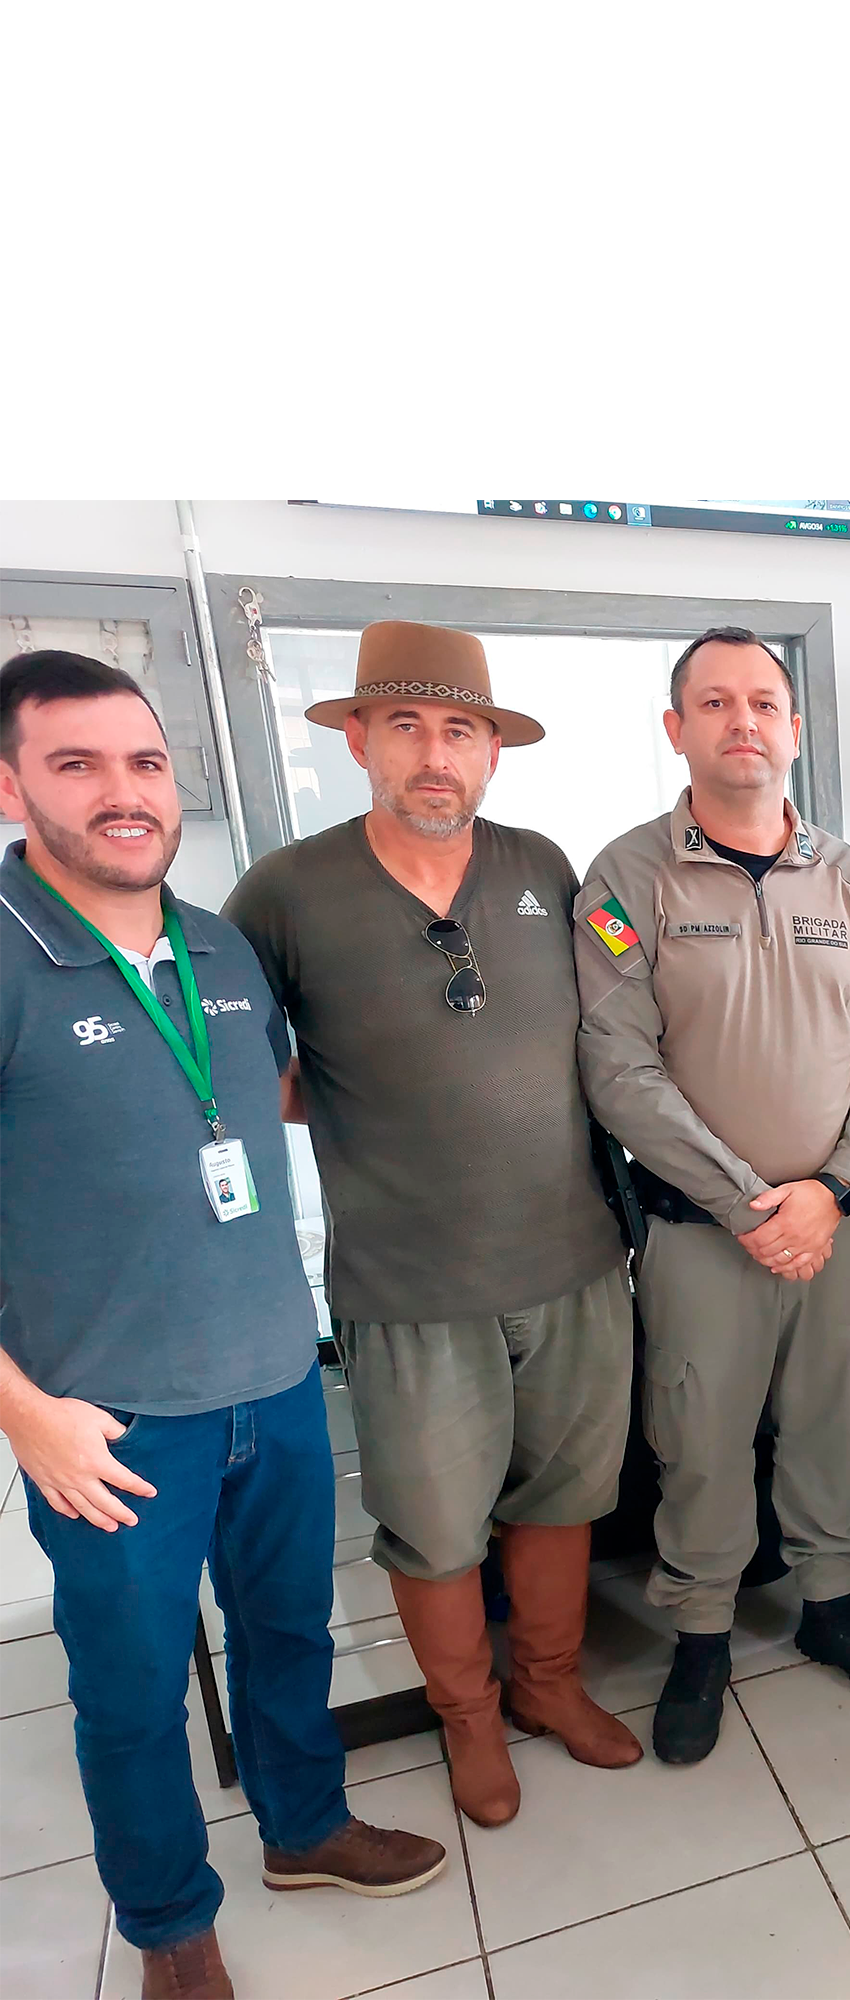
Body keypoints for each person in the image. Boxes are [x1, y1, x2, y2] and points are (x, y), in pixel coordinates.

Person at [0, 652, 445, 2000]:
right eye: (77, 764)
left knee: (290, 1631)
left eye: (144, 762)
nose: (123, 792)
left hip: (274, 1378)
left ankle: (304, 1829)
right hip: (109, 1423)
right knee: (132, 1692)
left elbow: (261, 1104)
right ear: (12, 787)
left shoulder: (219, 946)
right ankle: (169, 1924)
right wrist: (27, 1415)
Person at [225, 622, 640, 1833]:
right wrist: (357, 1095)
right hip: (407, 1281)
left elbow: (624, 1006)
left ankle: (547, 1682)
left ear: (492, 751)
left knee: (565, 1494)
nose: (434, 753)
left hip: (571, 1259)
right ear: (358, 739)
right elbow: (236, 1068)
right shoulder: (285, 893)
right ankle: (469, 1717)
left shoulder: (544, 866)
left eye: (460, 728)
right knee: (434, 1523)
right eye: (404, 725)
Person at [574, 626, 850, 1764]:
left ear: (793, 728)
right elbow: (618, 1068)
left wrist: (830, 1190)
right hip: (700, 1232)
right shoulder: (628, 878)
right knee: (699, 1434)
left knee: (836, 1415)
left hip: (838, 1226)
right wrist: (748, 1204)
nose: (744, 721)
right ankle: (701, 1630)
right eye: (716, 702)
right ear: (675, 728)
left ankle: (831, 1602)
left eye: (764, 702)